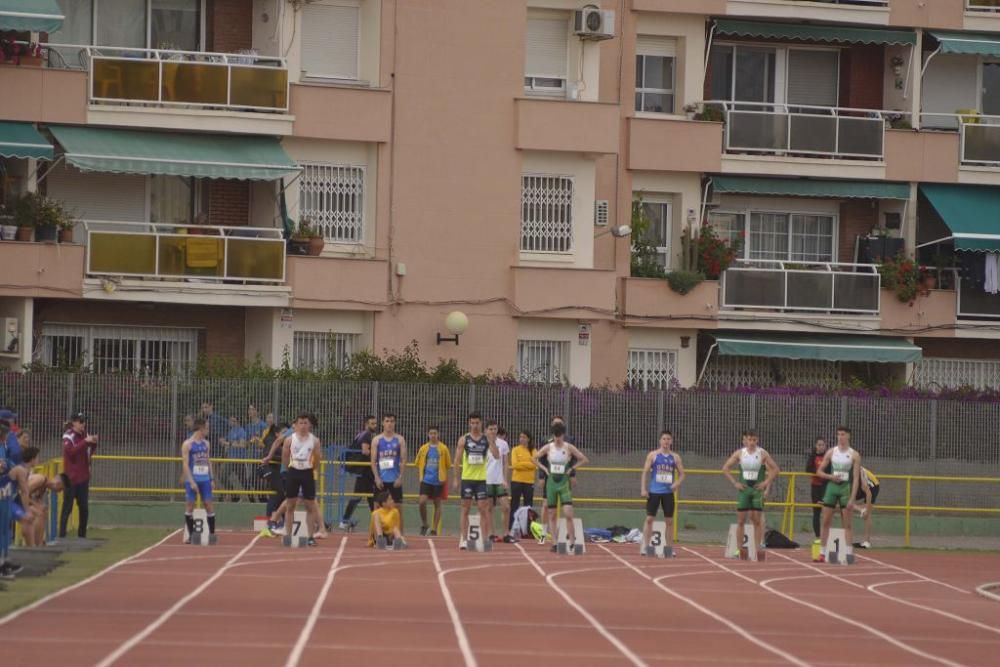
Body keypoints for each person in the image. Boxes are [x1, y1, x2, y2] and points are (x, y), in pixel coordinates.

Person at [721, 430, 779, 561]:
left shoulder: (762, 453)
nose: (751, 442)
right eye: (749, 440)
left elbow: (775, 469)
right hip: (744, 490)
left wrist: (766, 482)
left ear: (757, 440)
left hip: (756, 490)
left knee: (757, 521)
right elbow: (725, 468)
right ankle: (739, 549)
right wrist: (735, 482)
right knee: (741, 520)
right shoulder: (740, 453)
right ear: (745, 440)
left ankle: (758, 548)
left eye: (754, 440)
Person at [533, 422, 589, 553]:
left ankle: (573, 542)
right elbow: (534, 458)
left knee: (568, 513)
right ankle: (554, 542)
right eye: (555, 435)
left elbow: (583, 459)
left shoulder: (569, 447)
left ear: (563, 435)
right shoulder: (548, 447)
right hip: (551, 482)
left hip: (563, 483)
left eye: (560, 435)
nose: (557, 438)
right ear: (553, 435)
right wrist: (544, 469)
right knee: (551, 513)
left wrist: (571, 469)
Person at [815, 426, 862, 563]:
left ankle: (848, 554)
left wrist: (852, 498)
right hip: (831, 487)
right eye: (838, 434)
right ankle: (822, 553)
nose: (840, 437)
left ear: (848, 436)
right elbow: (819, 472)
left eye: (843, 434)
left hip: (845, 488)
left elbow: (856, 478)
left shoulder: (854, 455)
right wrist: (831, 477)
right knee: (825, 521)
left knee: (847, 523)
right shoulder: (831, 452)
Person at [640, 431, 686, 557]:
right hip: (654, 492)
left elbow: (682, 474)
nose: (666, 441)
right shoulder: (653, 455)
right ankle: (646, 545)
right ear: (660, 441)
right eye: (664, 439)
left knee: (669, 521)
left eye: (668, 439)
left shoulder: (675, 457)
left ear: (671, 441)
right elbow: (645, 472)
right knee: (649, 519)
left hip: (668, 493)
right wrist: (643, 489)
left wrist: (676, 483)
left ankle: (669, 547)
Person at [453, 412, 493, 550]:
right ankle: (463, 539)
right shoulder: (464, 439)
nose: (475, 425)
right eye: (473, 423)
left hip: (481, 479)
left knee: (483, 509)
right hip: (467, 479)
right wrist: (456, 479)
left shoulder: (486, 439)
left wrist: (492, 440)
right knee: (465, 508)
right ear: (469, 423)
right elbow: (457, 461)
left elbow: (497, 455)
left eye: (477, 423)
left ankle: (485, 538)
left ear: (481, 423)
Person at [282, 413, 321, 546]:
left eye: (306, 423)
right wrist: (290, 469)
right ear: (296, 425)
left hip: (307, 473)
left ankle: (310, 537)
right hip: (293, 472)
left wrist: (311, 468)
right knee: (290, 505)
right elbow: (285, 457)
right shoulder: (289, 439)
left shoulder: (314, 440)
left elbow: (317, 458)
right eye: (301, 423)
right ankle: (288, 535)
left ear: (309, 425)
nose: (303, 426)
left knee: (310, 506)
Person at [537, 416, 578, 541]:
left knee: (566, 507)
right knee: (546, 505)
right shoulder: (546, 441)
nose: (557, 426)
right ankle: (544, 533)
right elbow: (541, 458)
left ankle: (569, 535)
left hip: (564, 478)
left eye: (559, 424)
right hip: (550, 478)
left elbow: (574, 458)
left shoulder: (569, 441)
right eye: (555, 424)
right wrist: (542, 476)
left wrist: (572, 474)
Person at [60, 412, 97, 540]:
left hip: (83, 477)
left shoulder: (85, 434)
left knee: (84, 508)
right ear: (74, 422)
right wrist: (85, 442)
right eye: (81, 421)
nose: (83, 424)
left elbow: (89, 452)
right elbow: (71, 452)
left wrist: (93, 443)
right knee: (67, 507)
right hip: (70, 477)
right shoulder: (68, 435)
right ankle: (62, 534)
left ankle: (82, 535)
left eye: (84, 421)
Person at [181, 418, 217, 544]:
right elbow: (185, 464)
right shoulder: (188, 444)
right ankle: (191, 535)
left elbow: (208, 461)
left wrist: (211, 478)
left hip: (205, 479)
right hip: (193, 478)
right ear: (200, 429)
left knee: (209, 505)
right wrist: (191, 481)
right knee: (190, 506)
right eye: (206, 428)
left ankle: (212, 534)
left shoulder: (206, 444)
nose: (208, 430)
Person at [340, 415, 378, 530]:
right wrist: (378, 452)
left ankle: (376, 521)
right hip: (364, 470)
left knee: (370, 496)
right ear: (366, 424)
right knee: (364, 496)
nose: (374, 426)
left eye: (375, 423)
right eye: (372, 423)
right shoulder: (366, 435)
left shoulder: (361, 434)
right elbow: (365, 451)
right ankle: (344, 520)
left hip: (365, 470)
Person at [372, 413, 407, 534]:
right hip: (381, 479)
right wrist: (376, 477)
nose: (389, 424)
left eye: (392, 421)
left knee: (398, 509)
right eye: (387, 421)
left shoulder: (400, 440)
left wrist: (400, 477)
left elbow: (403, 460)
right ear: (383, 423)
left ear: (395, 423)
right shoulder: (377, 440)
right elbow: (373, 461)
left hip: (394, 480)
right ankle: (377, 536)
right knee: (377, 508)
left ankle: (400, 537)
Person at [415, 425, 451, 536]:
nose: (433, 435)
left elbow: (448, 464)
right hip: (426, 480)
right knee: (422, 502)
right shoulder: (423, 448)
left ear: (438, 434)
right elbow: (417, 462)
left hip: (438, 480)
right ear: (428, 434)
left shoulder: (443, 448)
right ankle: (425, 524)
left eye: (435, 433)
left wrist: (441, 474)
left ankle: (434, 529)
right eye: (431, 433)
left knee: (437, 504)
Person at [485, 422, 515, 543]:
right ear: (486, 430)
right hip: (487, 479)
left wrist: (505, 479)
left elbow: (505, 462)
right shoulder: (482, 443)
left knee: (506, 507)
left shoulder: (503, 444)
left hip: (499, 480)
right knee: (489, 508)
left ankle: (506, 533)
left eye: (495, 429)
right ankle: (491, 534)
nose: (493, 431)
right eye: (490, 429)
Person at [8, 445, 42, 547]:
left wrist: (33, 506)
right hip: (5, 500)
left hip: (12, 499)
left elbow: (23, 493)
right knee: (27, 518)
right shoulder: (21, 470)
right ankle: (31, 548)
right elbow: (24, 492)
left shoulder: (26, 471)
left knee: (34, 515)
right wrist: (27, 511)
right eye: (37, 457)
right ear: (32, 459)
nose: (38, 460)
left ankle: (32, 546)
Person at [509, 430, 536, 531]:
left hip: (529, 482)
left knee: (528, 506)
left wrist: (522, 464)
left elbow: (534, 465)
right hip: (516, 481)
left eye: (524, 437)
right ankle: (511, 527)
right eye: (520, 437)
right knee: (514, 504)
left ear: (528, 439)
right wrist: (527, 464)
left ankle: (527, 529)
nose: (522, 439)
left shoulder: (533, 450)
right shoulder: (515, 450)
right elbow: (515, 465)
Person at [805, 437, 829, 547]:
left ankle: (825, 536)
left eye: (822, 445)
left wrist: (823, 474)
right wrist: (817, 472)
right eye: (819, 445)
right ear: (816, 446)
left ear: (825, 446)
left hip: (825, 486)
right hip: (815, 487)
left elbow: (829, 470)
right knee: (816, 512)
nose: (820, 447)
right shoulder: (812, 456)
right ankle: (818, 537)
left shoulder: (828, 456)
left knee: (826, 512)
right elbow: (808, 468)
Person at [220, 416, 249, 502]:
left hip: (239, 460)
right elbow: (228, 443)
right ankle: (233, 494)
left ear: (238, 422)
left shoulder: (241, 431)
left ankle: (252, 499)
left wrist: (228, 443)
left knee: (243, 481)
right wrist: (223, 442)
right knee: (223, 476)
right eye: (230, 420)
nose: (231, 422)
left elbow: (242, 445)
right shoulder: (231, 431)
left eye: (234, 421)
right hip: (230, 459)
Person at [855, 466, 880, 549]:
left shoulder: (859, 472)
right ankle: (861, 509)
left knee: (867, 514)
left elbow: (868, 493)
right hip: (859, 487)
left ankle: (867, 542)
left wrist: (867, 509)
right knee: (844, 502)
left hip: (873, 486)